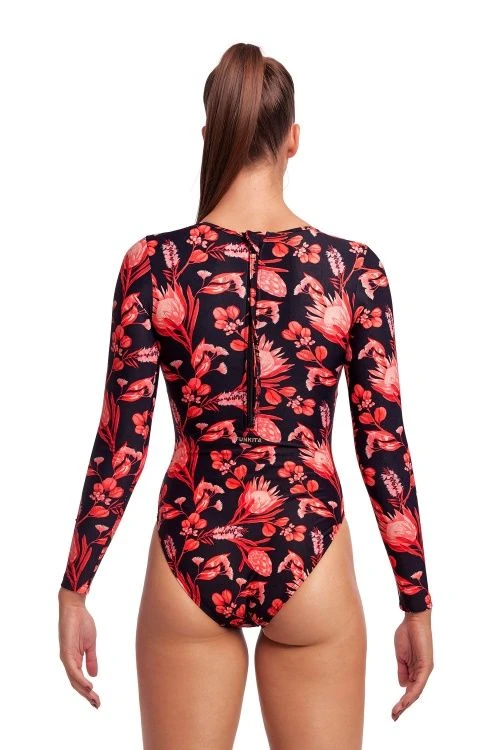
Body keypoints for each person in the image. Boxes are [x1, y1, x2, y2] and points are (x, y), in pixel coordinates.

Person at [58, 42, 433, 749]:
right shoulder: (352, 270)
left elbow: (122, 443)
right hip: (310, 548)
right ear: (293, 139)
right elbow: (384, 448)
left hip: (189, 547)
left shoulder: (154, 264)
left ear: (210, 133)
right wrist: (415, 601)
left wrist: (75, 586)